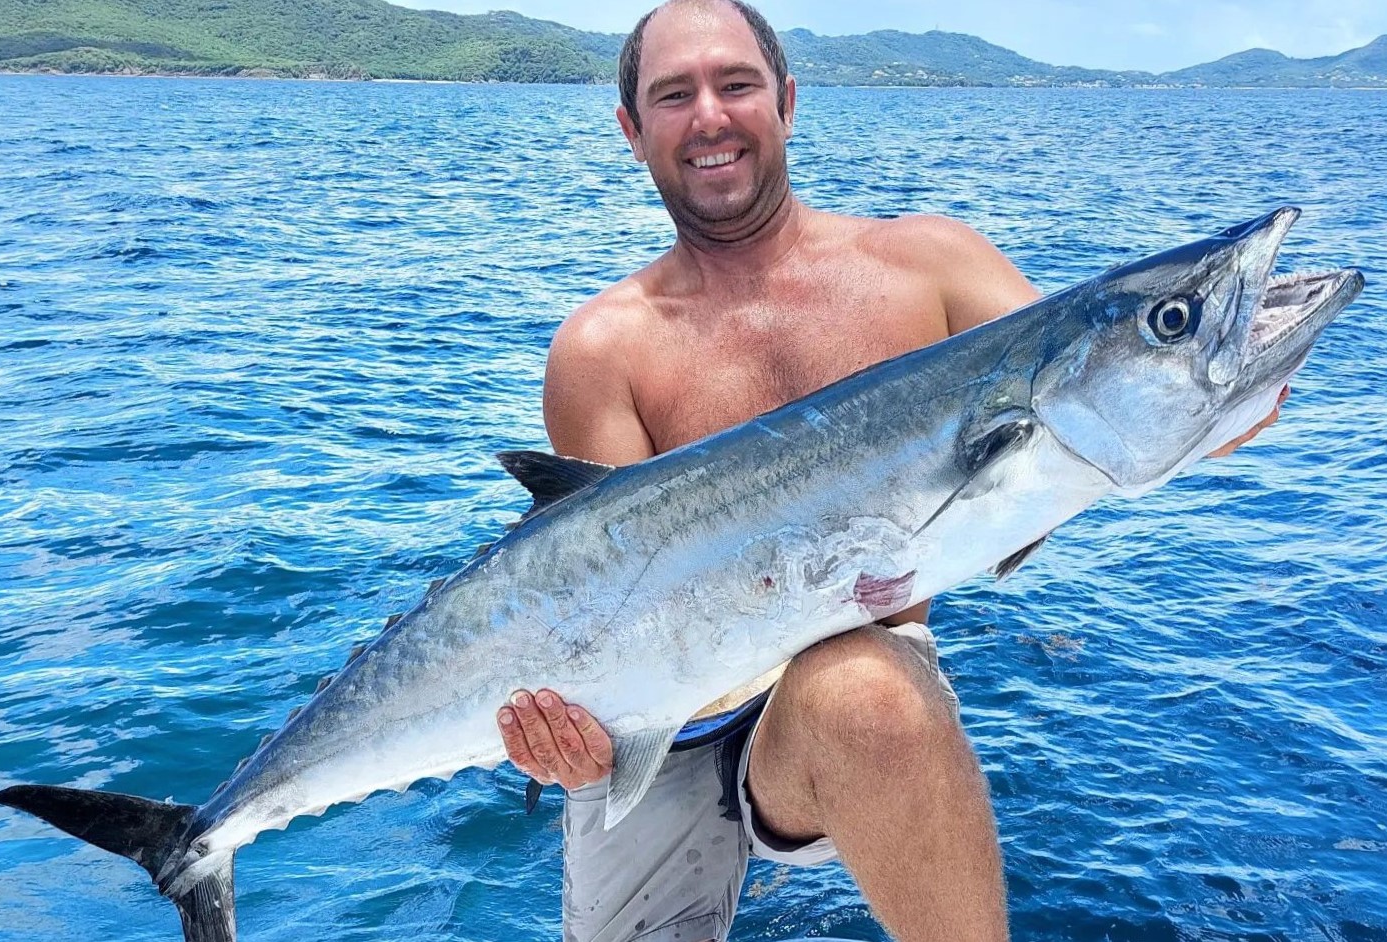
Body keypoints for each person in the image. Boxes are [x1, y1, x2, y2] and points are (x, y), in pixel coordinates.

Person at [492, 2, 1286, 940]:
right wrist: (574, 737)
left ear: (786, 101)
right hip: (666, 726)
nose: (710, 115)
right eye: (674, 95)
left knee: (862, 689)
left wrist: (1220, 387)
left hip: (853, 671)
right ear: (632, 130)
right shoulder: (602, 348)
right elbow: (602, 593)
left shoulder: (933, 265)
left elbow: (1102, 403)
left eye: (737, 84)